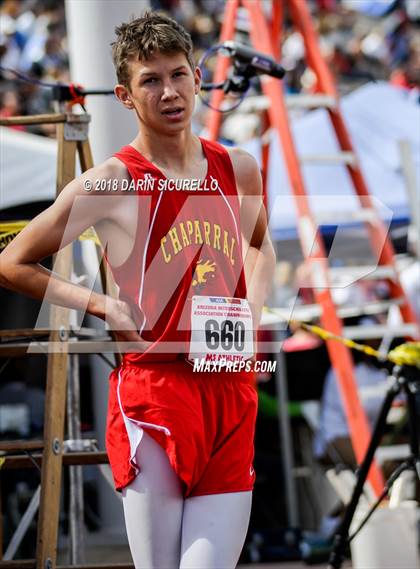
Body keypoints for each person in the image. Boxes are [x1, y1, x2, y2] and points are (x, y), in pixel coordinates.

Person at [0, 12, 276, 569]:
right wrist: (98, 302)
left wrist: (251, 308)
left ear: (198, 78)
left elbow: (260, 246)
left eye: (178, 75)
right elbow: (13, 261)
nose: (169, 92)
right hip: (156, 394)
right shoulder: (113, 181)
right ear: (125, 96)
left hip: (228, 387)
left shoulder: (237, 168)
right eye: (151, 81)